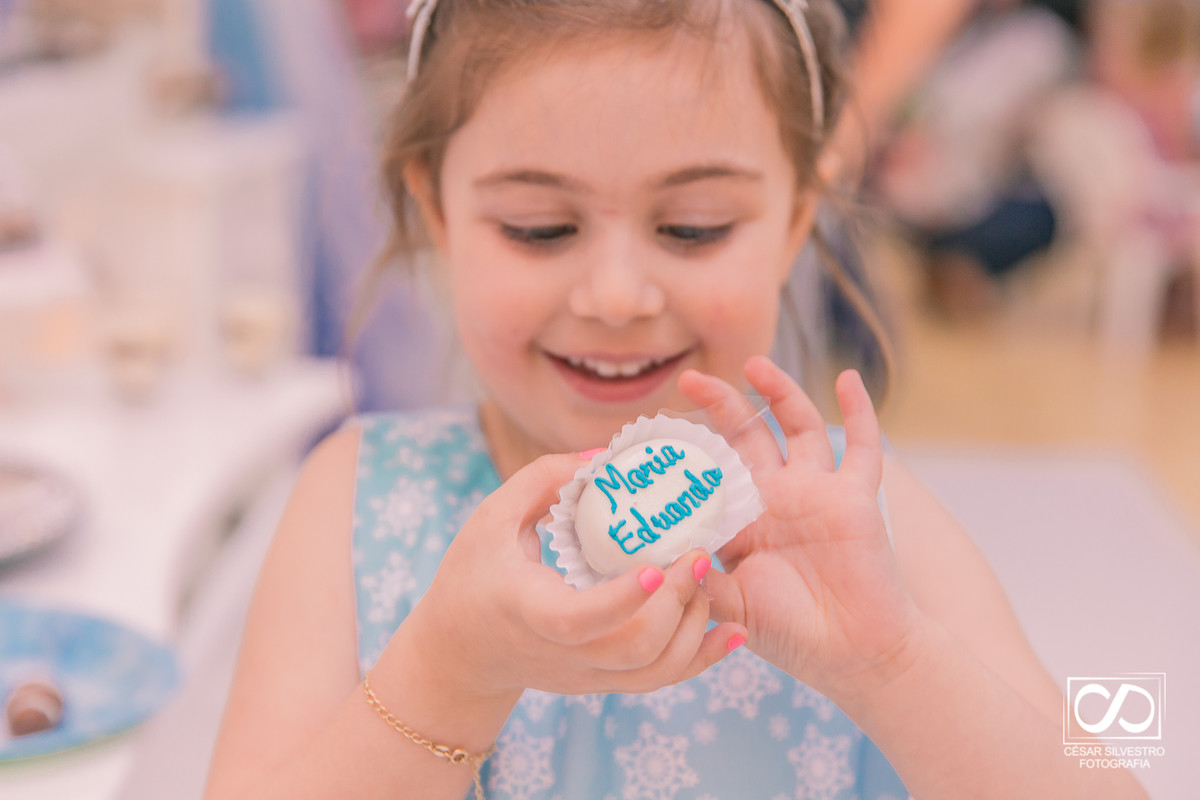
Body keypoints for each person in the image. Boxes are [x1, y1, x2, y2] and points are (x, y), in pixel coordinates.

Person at [203, 1, 1149, 798]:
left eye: (693, 228)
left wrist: (891, 664)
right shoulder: (362, 495)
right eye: (541, 227)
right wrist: (442, 679)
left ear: (793, 225)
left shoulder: (861, 524)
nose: (617, 295)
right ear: (439, 212)